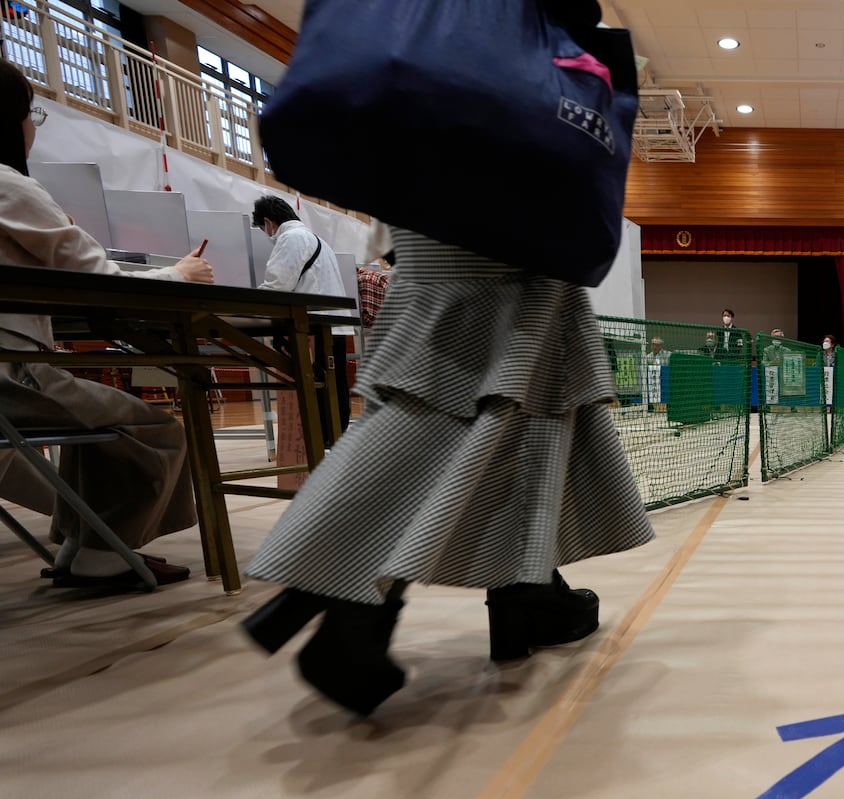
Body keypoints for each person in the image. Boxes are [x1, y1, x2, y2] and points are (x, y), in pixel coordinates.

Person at [241, 243, 655, 712]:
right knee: (511, 406)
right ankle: (358, 591)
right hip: (516, 235)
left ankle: (521, 587)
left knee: (438, 401)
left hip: (428, 246)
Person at [0, 59, 214, 589]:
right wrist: (182, 274)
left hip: (15, 373)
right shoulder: (7, 185)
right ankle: (105, 554)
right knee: (155, 428)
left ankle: (84, 546)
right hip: (10, 375)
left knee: (90, 419)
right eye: (32, 114)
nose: (33, 127)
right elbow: (102, 277)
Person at [252, 195, 345, 297]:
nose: (267, 234)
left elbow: (276, 287)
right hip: (332, 311)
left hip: (317, 311)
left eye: (262, 229)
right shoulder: (321, 242)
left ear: (267, 223)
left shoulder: (292, 237)